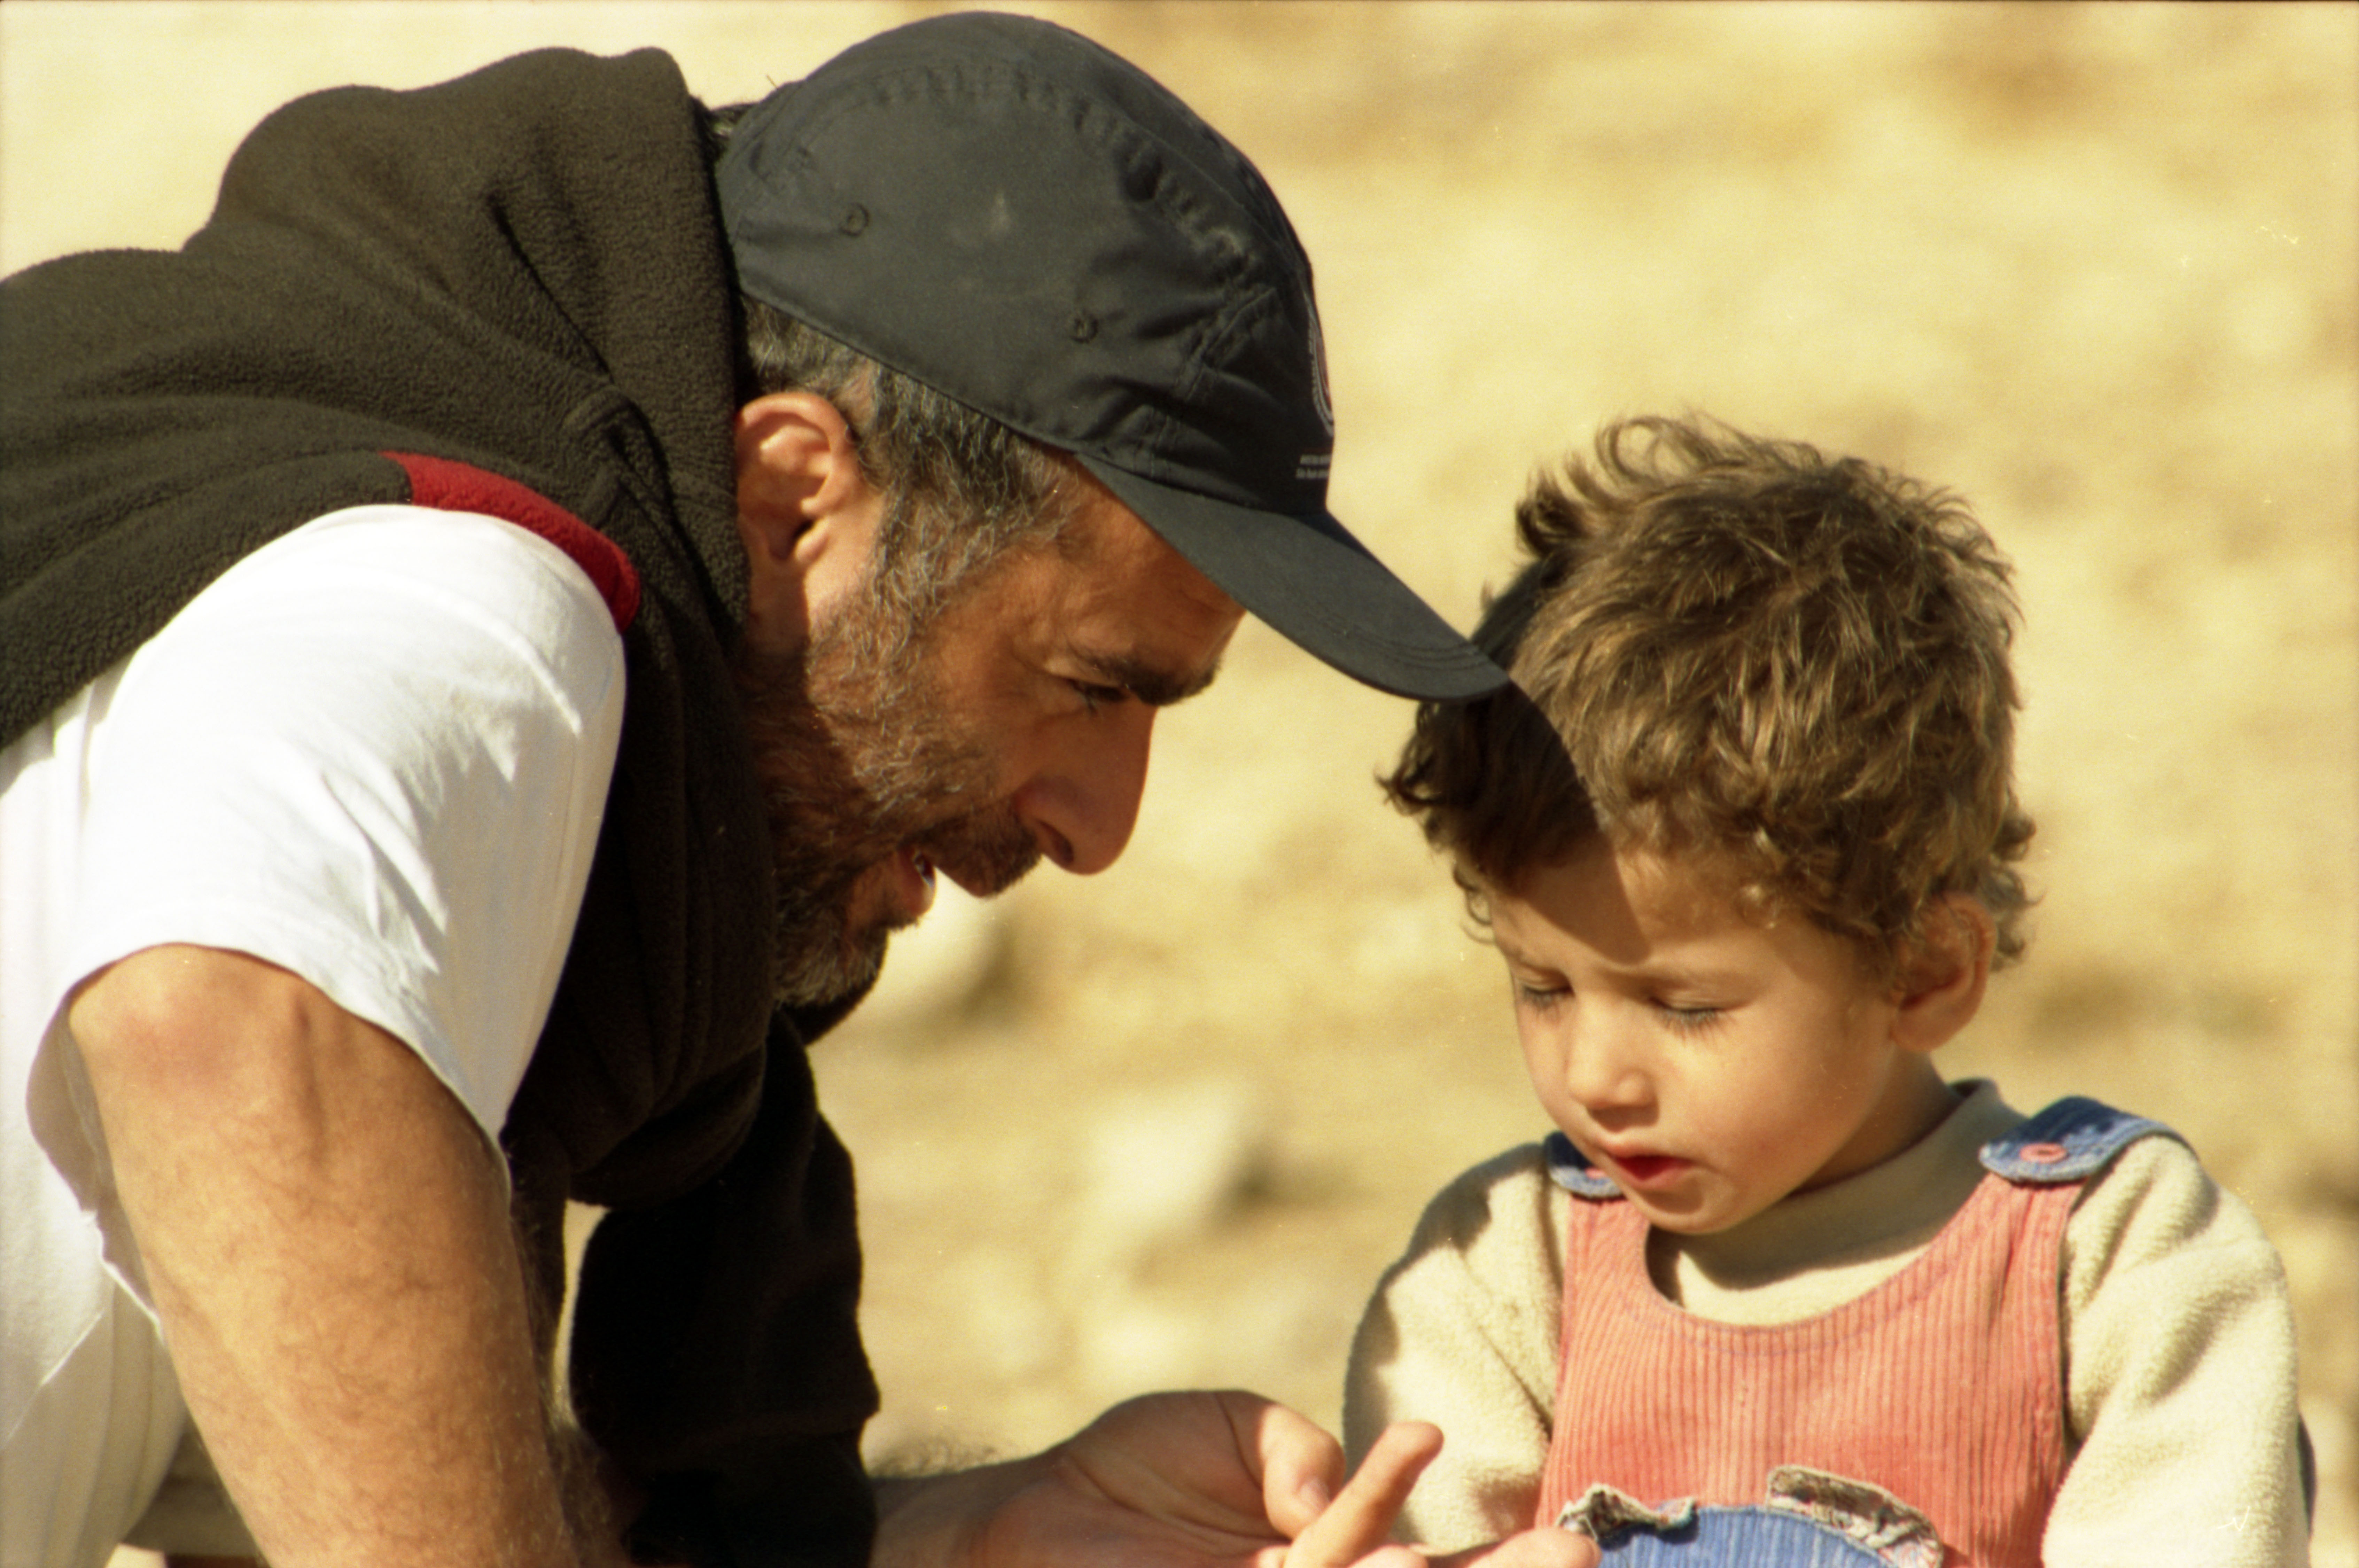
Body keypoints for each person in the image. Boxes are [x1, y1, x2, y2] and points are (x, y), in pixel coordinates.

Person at [0, 15, 1593, 1568]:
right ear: (789, 498)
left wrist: (961, 1538)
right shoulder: (464, 607)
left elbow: (352, 1440)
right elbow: (226, 1018)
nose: (1098, 830)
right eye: (1091, 686)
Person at [1341, 416, 2313, 1563]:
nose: (1592, 1076)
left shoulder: (2114, 1265)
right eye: (1544, 985)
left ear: (1923, 972)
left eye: (1685, 1007)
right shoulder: (1507, 1280)